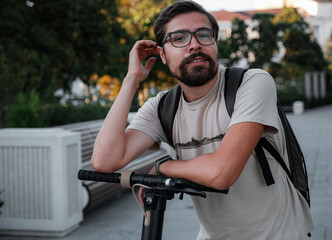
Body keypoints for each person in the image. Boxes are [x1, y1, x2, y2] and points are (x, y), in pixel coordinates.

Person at [91, 1, 314, 239]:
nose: (194, 44)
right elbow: (105, 161)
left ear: (215, 43)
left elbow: (222, 173)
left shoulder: (251, 83)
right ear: (162, 55)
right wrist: (132, 79)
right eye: (179, 38)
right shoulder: (163, 107)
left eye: (204, 35)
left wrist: (163, 167)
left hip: (279, 234)